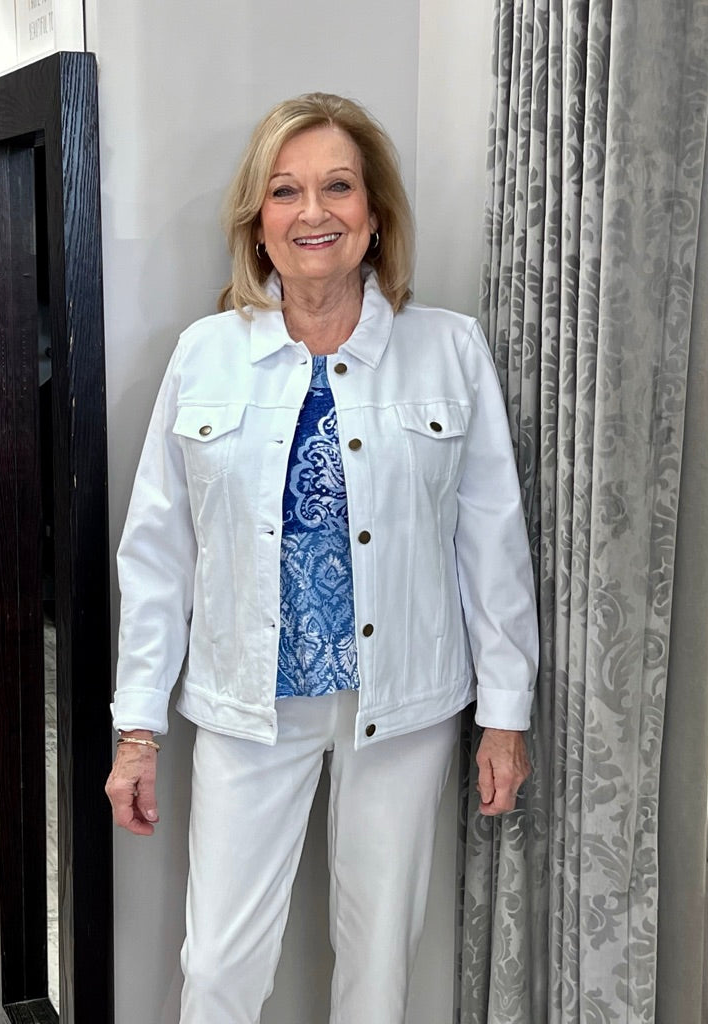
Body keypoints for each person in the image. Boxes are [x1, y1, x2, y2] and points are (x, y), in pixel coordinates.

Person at [105, 92, 538, 1024]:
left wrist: (506, 715)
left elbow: (491, 542)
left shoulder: (448, 350)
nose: (314, 212)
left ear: (374, 215)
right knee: (217, 965)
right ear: (257, 223)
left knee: (378, 966)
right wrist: (137, 729)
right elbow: (157, 555)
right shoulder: (205, 355)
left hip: (404, 704)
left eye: (338, 187)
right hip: (247, 703)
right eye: (286, 191)